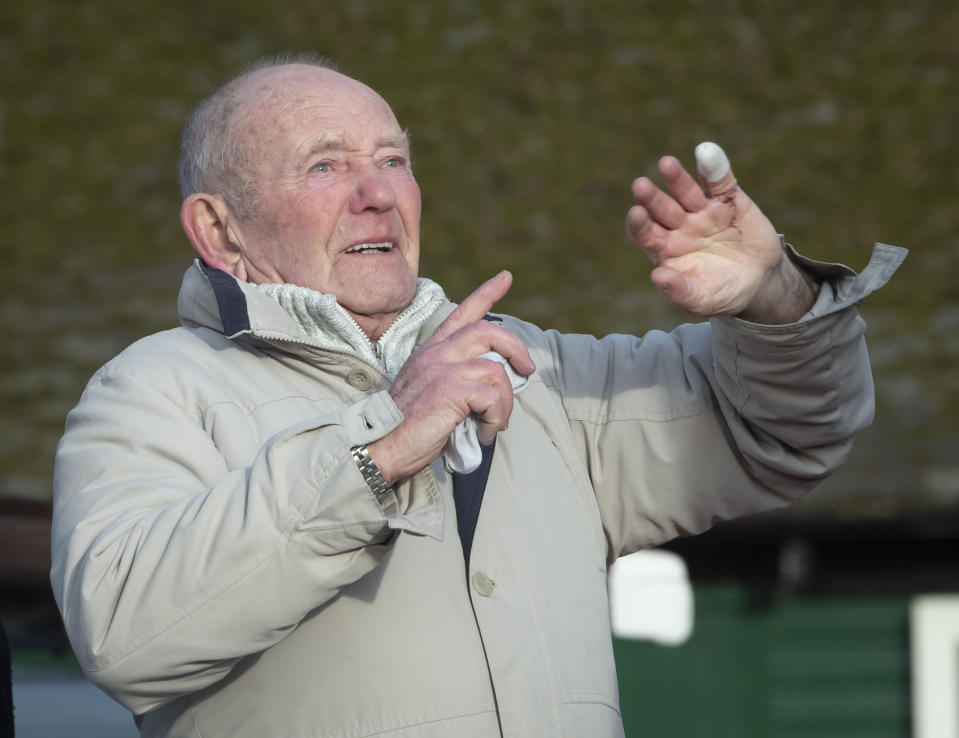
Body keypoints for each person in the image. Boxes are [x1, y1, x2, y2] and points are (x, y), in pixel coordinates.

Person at [50, 55, 904, 738]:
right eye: (324, 166)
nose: (378, 190)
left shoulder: (535, 368)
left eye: (393, 160)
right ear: (217, 229)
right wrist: (385, 438)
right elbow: (128, 637)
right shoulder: (152, 390)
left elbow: (780, 433)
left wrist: (775, 300)